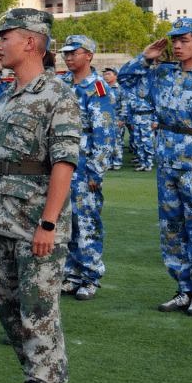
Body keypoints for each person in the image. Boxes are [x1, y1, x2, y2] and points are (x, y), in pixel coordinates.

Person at [0, 9, 80, 383]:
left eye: (6, 37)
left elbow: (64, 163)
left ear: (31, 43)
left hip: (37, 221)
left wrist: (49, 222)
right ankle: (41, 379)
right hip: (0, 217)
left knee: (38, 310)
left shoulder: (57, 94)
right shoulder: (10, 94)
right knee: (9, 310)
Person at [119, 18, 192, 317]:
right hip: (167, 167)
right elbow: (125, 83)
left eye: (185, 40)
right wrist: (143, 57)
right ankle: (182, 289)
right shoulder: (163, 75)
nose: (177, 45)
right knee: (171, 231)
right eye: (174, 40)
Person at [58, 36, 117, 301]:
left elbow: (105, 133)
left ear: (89, 55)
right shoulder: (63, 84)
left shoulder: (98, 88)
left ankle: (90, 276)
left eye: (74, 53)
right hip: (62, 165)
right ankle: (71, 273)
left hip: (84, 167)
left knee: (87, 222)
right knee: (66, 221)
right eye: (65, 53)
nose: (69, 58)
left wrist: (96, 170)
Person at [101, 68, 126, 171]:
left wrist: (122, 118)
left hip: (116, 118)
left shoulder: (120, 89)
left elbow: (124, 105)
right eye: (104, 74)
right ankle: (109, 162)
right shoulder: (102, 88)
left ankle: (117, 162)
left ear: (115, 76)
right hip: (105, 118)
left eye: (108, 74)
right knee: (106, 141)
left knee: (117, 141)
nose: (106, 76)